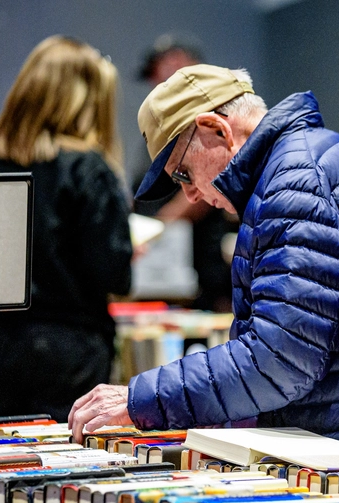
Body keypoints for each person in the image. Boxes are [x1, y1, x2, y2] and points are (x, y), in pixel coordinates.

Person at [68, 65, 339, 444]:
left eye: (184, 173)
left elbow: (279, 360)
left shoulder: (296, 185)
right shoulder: (303, 165)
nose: (189, 194)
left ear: (216, 129)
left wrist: (143, 398)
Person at [0, 36, 133, 424]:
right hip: (69, 351)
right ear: (83, 100)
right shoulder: (87, 169)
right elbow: (114, 274)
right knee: (67, 459)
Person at [133, 34, 235, 311]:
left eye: (159, 74)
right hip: (165, 269)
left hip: (199, 270)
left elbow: (211, 181)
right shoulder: (164, 126)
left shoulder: (207, 117)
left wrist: (159, 228)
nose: (155, 86)